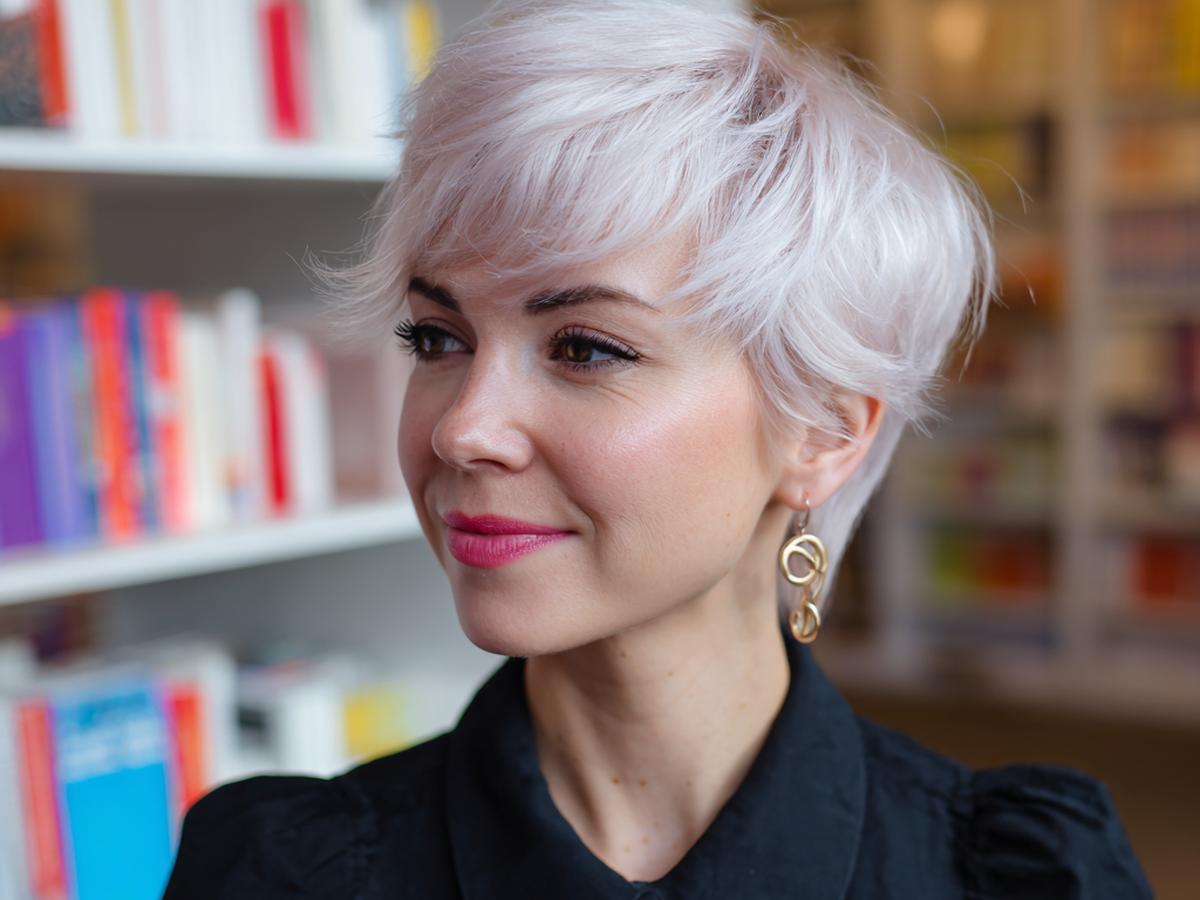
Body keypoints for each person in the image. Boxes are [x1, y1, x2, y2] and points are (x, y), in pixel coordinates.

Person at [162, 0, 1153, 897]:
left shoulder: (1020, 877)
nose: (464, 426)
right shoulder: (285, 874)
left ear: (820, 433)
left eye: (586, 348)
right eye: (438, 338)